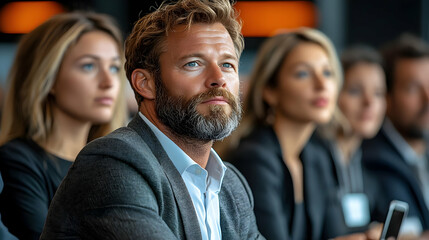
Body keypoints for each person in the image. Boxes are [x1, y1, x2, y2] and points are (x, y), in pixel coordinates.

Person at [41, 0, 264, 239]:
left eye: (227, 64)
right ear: (145, 84)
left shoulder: (230, 184)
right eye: (193, 63)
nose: (218, 78)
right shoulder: (113, 163)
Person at [224, 28, 367, 240]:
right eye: (303, 73)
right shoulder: (253, 159)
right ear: (270, 90)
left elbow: (336, 233)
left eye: (327, 73)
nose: (322, 85)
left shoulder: (317, 155)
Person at [0, 12, 127, 239]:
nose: (109, 82)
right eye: (89, 66)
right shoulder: (17, 160)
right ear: (48, 78)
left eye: (115, 68)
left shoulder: (120, 161)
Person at [312, 45, 387, 236]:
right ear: (332, 94)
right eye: (355, 91)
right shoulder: (311, 158)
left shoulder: (367, 164)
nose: (369, 102)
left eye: (378, 93)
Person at [362, 34, 429, 237]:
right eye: (413, 88)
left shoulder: (423, 153)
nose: (427, 97)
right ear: (386, 97)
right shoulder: (373, 159)